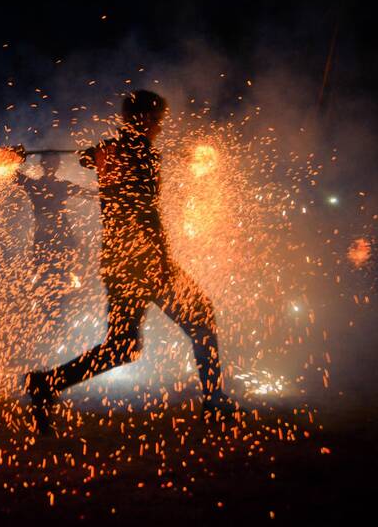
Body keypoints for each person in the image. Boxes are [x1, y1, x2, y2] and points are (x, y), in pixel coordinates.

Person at [23, 90, 237, 434]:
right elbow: (144, 211)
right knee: (201, 318)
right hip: (144, 260)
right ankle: (215, 402)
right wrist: (162, 260)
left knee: (122, 348)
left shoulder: (112, 151)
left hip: (119, 261)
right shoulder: (135, 155)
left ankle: (46, 384)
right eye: (158, 121)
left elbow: (94, 165)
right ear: (146, 119)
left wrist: (98, 156)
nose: (159, 128)